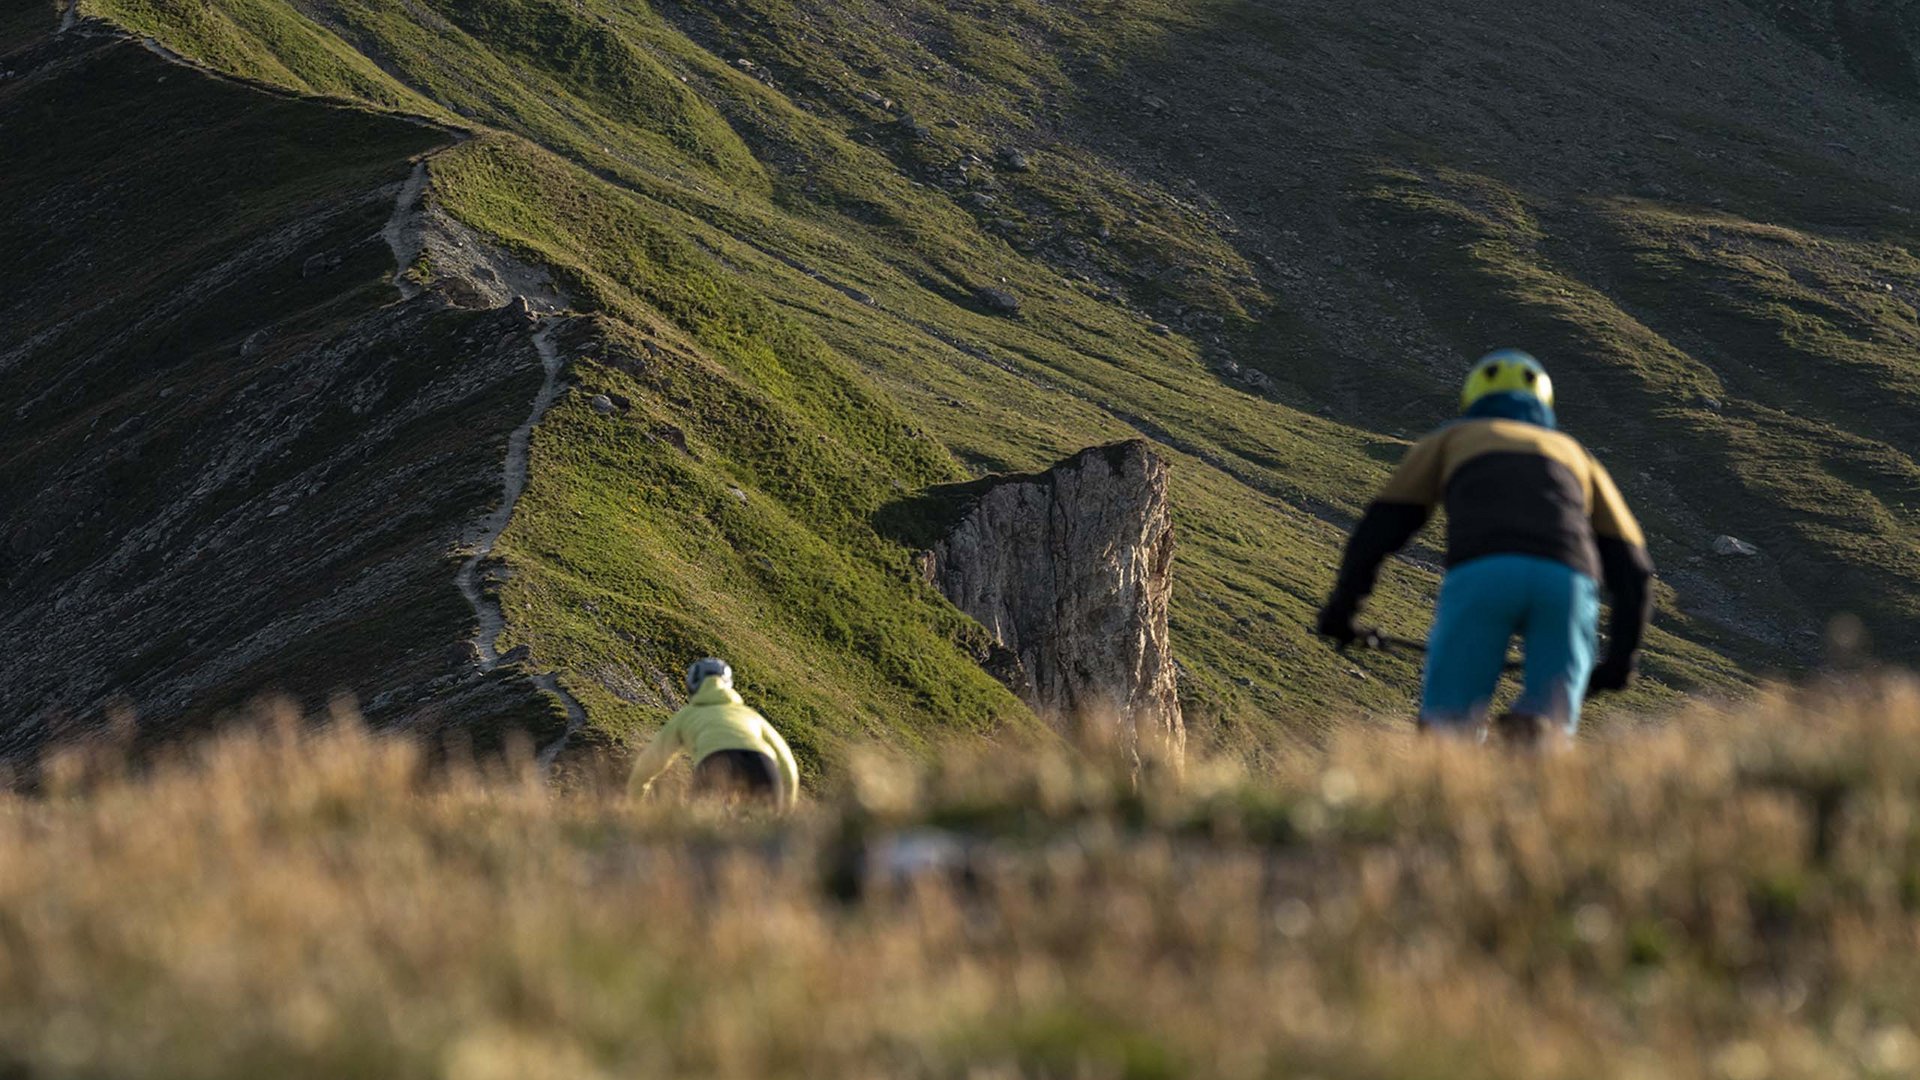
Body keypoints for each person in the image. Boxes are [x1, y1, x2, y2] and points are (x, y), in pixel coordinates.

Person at [1316, 350, 1654, 741]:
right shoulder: (1577, 456)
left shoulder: (1451, 438)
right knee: (1553, 721)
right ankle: (1535, 741)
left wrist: (1342, 611)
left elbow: (1380, 531)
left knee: (1449, 720)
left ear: (1473, 397)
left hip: (1484, 573)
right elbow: (1633, 568)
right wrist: (1620, 661)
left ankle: (1451, 777)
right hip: (1567, 583)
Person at [627, 658, 800, 811]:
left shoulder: (686, 715)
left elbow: (648, 764)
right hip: (762, 765)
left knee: (701, 835)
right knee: (765, 836)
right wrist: (785, 813)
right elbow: (787, 763)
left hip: (715, 764)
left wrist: (636, 807)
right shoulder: (749, 714)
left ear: (692, 686)